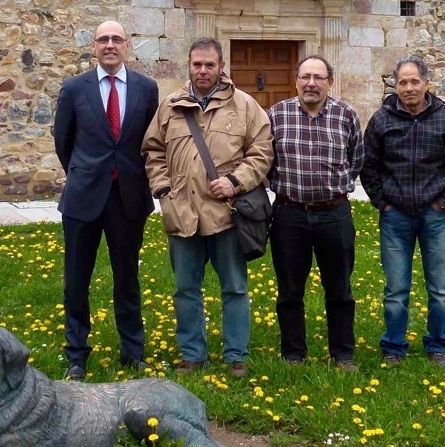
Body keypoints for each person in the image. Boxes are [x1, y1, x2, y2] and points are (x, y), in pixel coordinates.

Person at [142, 38, 273, 379]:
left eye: (209, 65)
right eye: (197, 64)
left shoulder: (245, 106)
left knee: (234, 288)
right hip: (182, 214)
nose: (202, 71)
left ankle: (236, 356)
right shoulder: (170, 105)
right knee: (186, 289)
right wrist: (163, 190)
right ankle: (193, 354)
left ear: (221, 67)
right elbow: (153, 151)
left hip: (227, 215)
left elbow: (262, 152)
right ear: (188, 65)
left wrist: (236, 181)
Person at [53, 21, 160, 380]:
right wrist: (84, 172)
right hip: (84, 197)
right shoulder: (74, 88)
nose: (110, 45)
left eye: (116, 39)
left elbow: (150, 141)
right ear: (93, 46)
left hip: (128, 197)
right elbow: (63, 143)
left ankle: (133, 351)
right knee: (76, 279)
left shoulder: (147, 89)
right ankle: (76, 354)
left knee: (127, 277)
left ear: (127, 45)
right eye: (103, 39)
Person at [361, 55, 445, 369]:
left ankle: (438, 345)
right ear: (395, 86)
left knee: (439, 289)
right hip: (395, 215)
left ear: (427, 83)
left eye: (414, 81)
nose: (408, 88)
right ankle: (393, 347)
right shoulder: (382, 120)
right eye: (402, 82)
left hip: (435, 215)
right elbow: (368, 166)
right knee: (396, 288)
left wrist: (443, 202)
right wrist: (382, 203)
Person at [267, 55, 363, 370]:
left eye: (318, 77)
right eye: (305, 76)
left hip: (333, 214)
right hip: (288, 214)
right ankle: (294, 353)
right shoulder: (276, 115)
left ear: (329, 82)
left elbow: (357, 158)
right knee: (289, 289)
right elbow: (264, 159)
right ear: (296, 81)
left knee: (339, 288)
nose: (311, 83)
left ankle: (343, 354)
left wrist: (339, 185)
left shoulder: (346, 115)